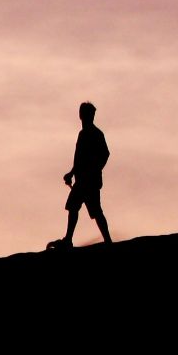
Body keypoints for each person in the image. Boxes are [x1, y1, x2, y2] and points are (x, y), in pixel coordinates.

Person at [60, 101, 113, 247]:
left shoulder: (95, 134)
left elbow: (105, 154)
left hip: (89, 180)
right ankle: (69, 239)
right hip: (83, 180)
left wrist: (95, 170)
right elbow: (79, 159)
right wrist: (71, 173)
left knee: (93, 210)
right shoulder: (83, 134)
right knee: (75, 207)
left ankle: (107, 240)